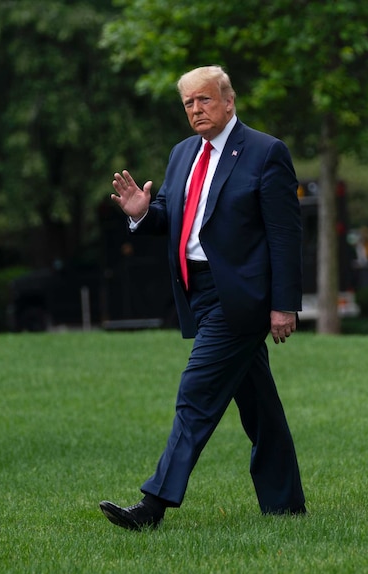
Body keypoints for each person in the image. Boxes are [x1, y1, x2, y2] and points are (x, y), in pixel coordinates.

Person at [99, 65, 306, 530]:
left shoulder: (265, 152)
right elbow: (175, 215)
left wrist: (284, 302)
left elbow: (285, 235)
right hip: (200, 294)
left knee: (196, 394)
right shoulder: (182, 153)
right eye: (189, 103)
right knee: (259, 407)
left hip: (243, 298)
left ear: (229, 101)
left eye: (205, 100)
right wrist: (142, 213)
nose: (196, 109)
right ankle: (286, 505)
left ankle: (152, 507)